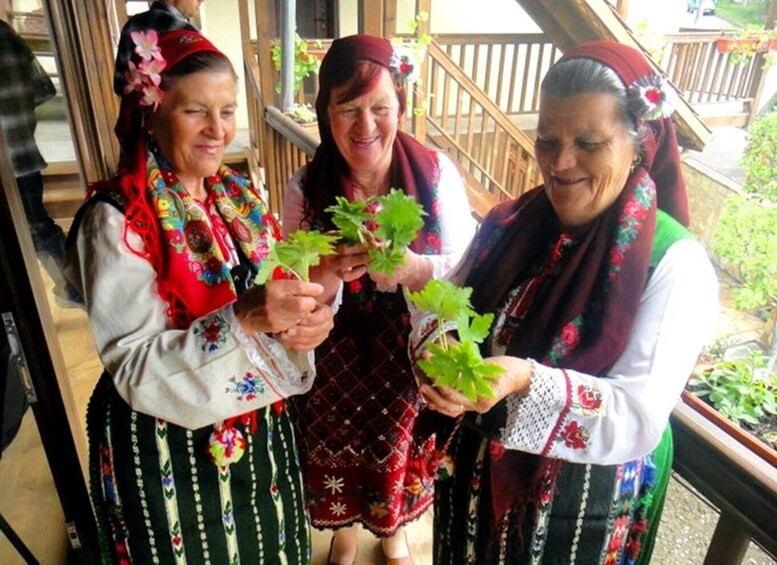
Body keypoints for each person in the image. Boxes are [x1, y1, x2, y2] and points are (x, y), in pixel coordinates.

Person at [409, 40, 719, 564]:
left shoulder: (674, 263)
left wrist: (524, 380)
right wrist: (437, 346)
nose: (560, 162)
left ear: (638, 142)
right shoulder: (511, 223)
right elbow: (443, 301)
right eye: (546, 139)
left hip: (581, 507)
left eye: (589, 143)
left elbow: (638, 412)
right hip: (470, 487)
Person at [65, 29, 333, 563]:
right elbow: (135, 366)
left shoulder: (238, 199)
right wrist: (246, 318)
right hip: (166, 446)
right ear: (154, 111)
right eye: (196, 112)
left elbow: (276, 301)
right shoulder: (119, 220)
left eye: (228, 111)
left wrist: (305, 327)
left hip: (259, 434)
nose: (218, 131)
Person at [282, 34, 476, 564]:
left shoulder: (437, 175)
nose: (365, 127)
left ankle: (394, 533)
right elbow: (296, 291)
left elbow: (464, 271)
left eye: (380, 108)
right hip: (335, 352)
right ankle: (344, 533)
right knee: (339, 442)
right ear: (326, 111)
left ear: (401, 108)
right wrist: (327, 271)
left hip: (407, 345)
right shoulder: (306, 184)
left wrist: (412, 268)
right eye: (348, 108)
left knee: (399, 443)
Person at [0, 18, 79, 304]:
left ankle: (70, 290)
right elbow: (43, 89)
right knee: (38, 225)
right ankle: (72, 288)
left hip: (13, 160)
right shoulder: (8, 34)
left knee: (34, 228)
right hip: (24, 155)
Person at [113, 0, 202, 96]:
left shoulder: (133, 25)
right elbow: (201, 88)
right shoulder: (188, 34)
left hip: (138, 109)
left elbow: (120, 85)